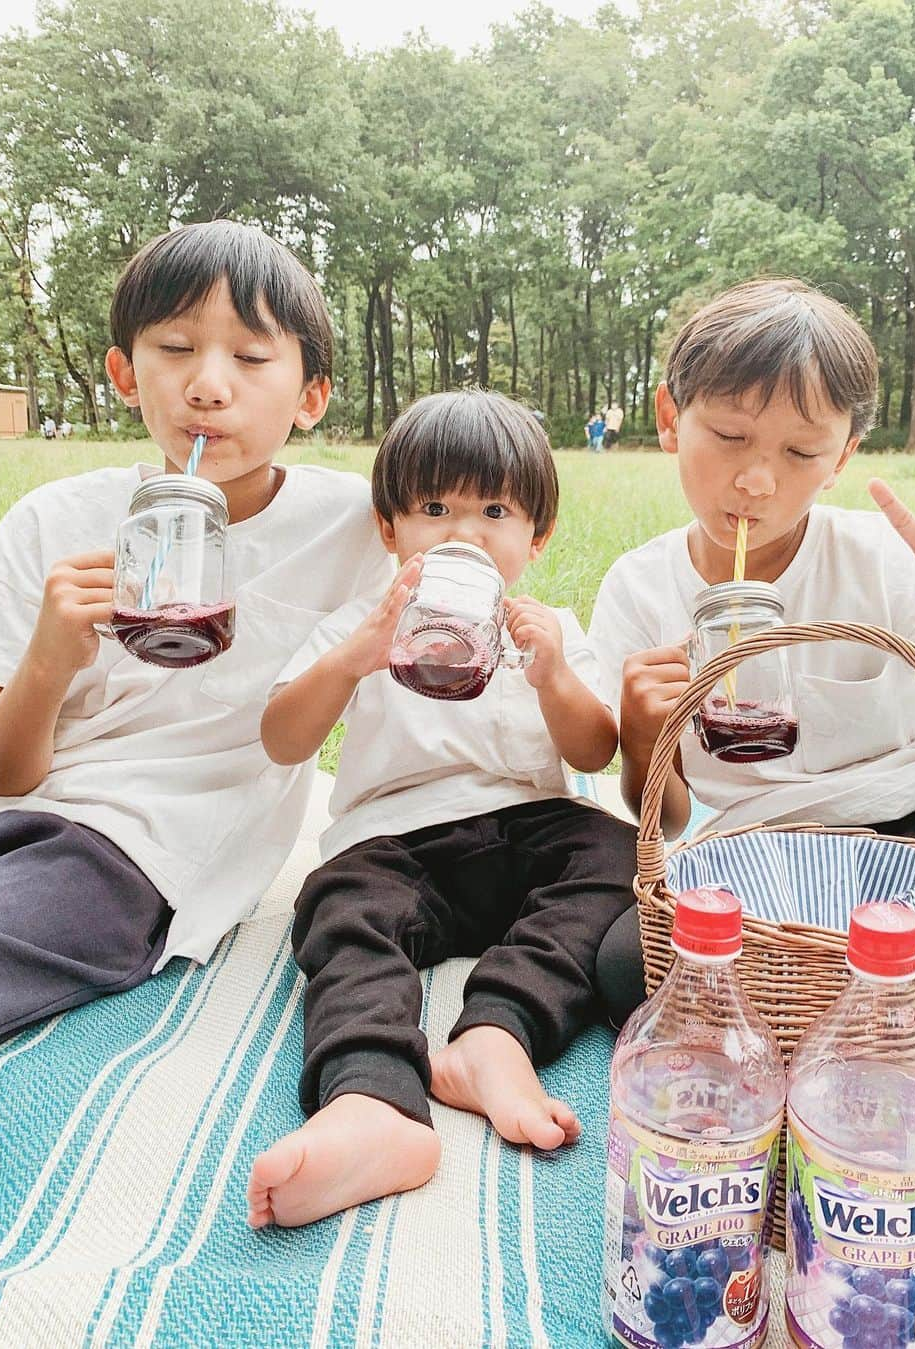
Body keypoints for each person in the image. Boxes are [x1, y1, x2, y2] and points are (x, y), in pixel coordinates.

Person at [589, 277, 915, 1068]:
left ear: (841, 456)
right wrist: (642, 739)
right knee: (634, 965)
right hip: (780, 861)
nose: (758, 480)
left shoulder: (885, 560)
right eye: (730, 436)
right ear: (671, 419)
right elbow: (663, 820)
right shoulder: (640, 590)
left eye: (800, 452)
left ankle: (884, 1009)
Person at [0, 220, 392, 1052]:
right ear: (125, 374)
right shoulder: (51, 522)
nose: (207, 386)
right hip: (7, 805)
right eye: (174, 347)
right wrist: (49, 661)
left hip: (135, 846)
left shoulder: (354, 527)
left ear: (311, 396)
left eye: (250, 357)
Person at [246, 389, 637, 1228]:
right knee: (340, 909)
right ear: (389, 529)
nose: (463, 533)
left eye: (494, 509)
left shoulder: (549, 628)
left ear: (536, 538)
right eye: (433, 507)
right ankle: (372, 1101)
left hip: (524, 827)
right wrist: (351, 660)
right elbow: (283, 738)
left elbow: (594, 752)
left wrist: (555, 676)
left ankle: (495, 1033)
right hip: (395, 846)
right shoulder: (363, 622)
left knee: (618, 853)